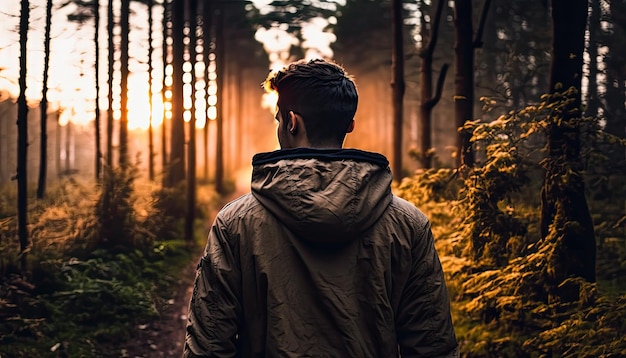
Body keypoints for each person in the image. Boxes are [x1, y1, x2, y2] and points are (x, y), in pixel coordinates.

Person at [183, 58, 459, 357]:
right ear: (349, 125)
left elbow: (208, 346)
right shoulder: (408, 224)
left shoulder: (235, 222)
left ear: (291, 122)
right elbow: (432, 345)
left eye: (279, 119)